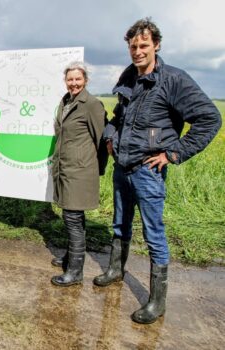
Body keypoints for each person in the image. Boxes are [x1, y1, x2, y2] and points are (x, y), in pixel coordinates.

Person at [94, 18, 222, 324]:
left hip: (147, 171)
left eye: (144, 46)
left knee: (154, 235)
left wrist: (174, 153)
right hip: (122, 168)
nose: (138, 51)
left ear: (156, 45)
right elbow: (118, 117)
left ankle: (156, 301)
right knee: (118, 224)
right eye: (133, 46)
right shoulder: (129, 77)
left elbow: (209, 118)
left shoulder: (174, 80)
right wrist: (111, 137)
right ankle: (115, 269)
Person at [50, 62, 107, 287]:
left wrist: (96, 169)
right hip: (66, 168)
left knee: (73, 218)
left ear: (86, 81)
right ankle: (71, 257)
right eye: (70, 79)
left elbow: (102, 141)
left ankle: (75, 272)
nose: (74, 83)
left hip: (80, 171)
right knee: (71, 217)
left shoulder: (92, 104)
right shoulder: (66, 102)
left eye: (78, 79)